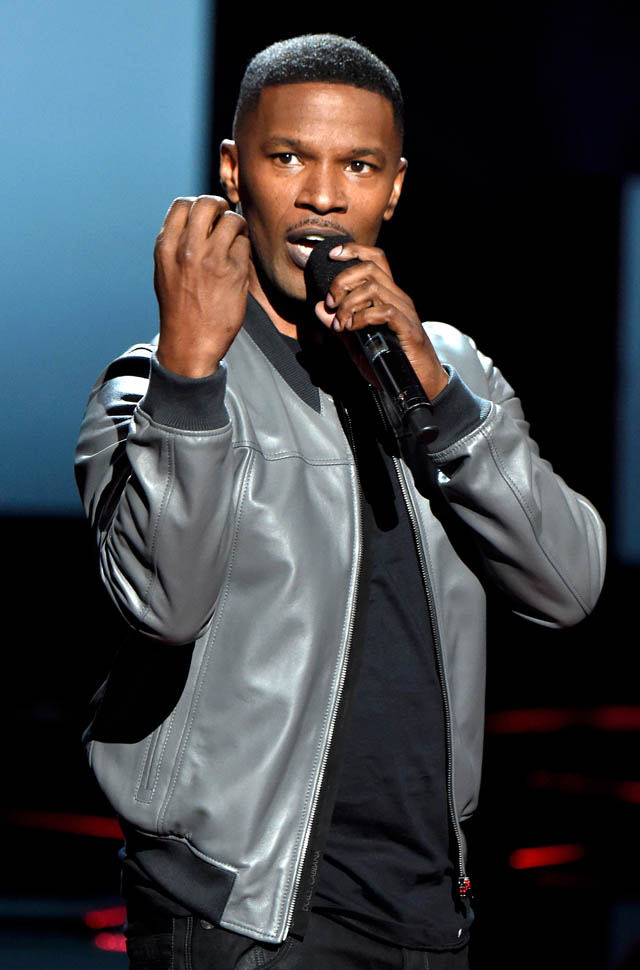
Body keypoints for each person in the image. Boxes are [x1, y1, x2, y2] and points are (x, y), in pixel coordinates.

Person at [75, 34, 606, 970]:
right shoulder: (154, 386)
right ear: (234, 172)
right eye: (289, 158)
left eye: (357, 166)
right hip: (243, 920)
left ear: (392, 188)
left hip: (426, 912)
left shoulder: (450, 368)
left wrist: (439, 394)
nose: (323, 195)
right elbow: (165, 605)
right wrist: (190, 373)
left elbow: (568, 585)